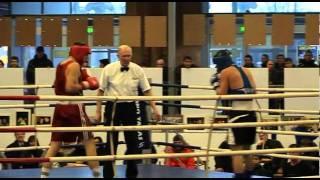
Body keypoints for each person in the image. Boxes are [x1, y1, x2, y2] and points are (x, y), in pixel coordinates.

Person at [96, 44, 161, 178]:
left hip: (131, 107)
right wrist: (98, 111)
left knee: (133, 142)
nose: (126, 58)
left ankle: (132, 174)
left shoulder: (137, 69)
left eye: (129, 56)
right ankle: (108, 174)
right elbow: (100, 90)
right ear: (118, 55)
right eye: (124, 56)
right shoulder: (108, 69)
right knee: (111, 141)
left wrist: (155, 108)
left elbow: (147, 90)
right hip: (113, 106)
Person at [40, 43, 100, 178]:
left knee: (56, 142)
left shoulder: (62, 63)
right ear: (79, 53)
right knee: (89, 139)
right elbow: (70, 88)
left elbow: (57, 84)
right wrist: (86, 84)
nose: (86, 58)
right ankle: (97, 174)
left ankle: (44, 175)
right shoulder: (74, 66)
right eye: (85, 55)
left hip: (60, 107)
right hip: (74, 107)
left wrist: (83, 76)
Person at [211, 49, 257, 178]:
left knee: (236, 150)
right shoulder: (246, 70)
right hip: (251, 114)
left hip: (237, 114)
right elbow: (254, 91)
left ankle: (239, 177)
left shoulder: (226, 72)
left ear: (220, 64)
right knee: (247, 149)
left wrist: (215, 84)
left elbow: (222, 94)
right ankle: (249, 175)